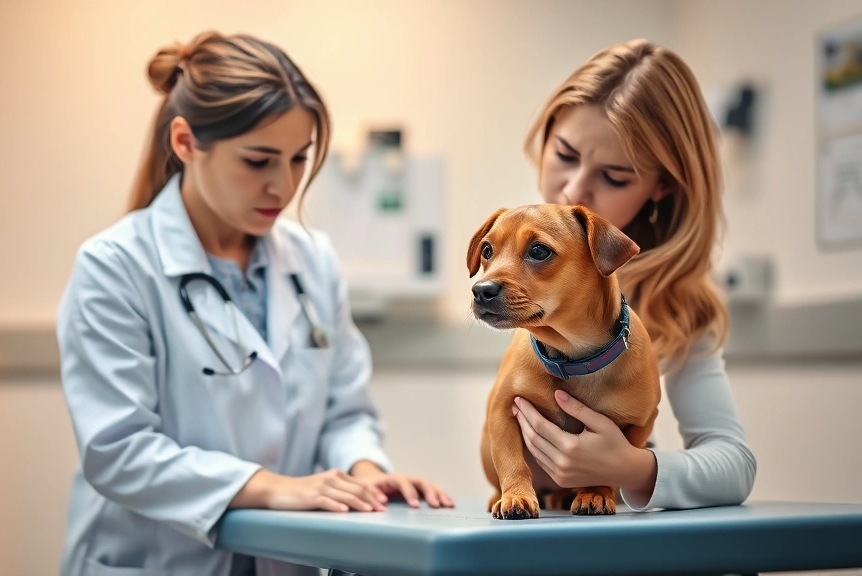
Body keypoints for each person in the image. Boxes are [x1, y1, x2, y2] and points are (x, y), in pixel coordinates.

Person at [56, 30, 453, 576]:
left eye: (298, 160)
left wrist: (363, 470)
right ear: (185, 142)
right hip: (154, 562)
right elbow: (117, 450)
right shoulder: (116, 265)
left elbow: (345, 411)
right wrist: (268, 488)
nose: (283, 186)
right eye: (259, 161)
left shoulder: (313, 260)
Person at [510, 39, 757, 512]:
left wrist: (629, 468)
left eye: (615, 177)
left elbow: (734, 464)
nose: (574, 190)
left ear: (661, 186)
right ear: (546, 137)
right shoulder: (508, 268)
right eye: (564, 154)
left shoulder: (676, 305)